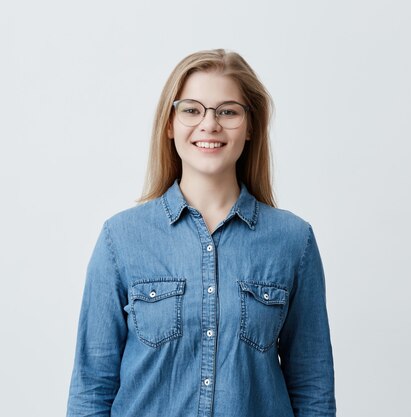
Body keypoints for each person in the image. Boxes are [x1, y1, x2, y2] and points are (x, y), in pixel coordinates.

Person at [66, 49, 336, 417]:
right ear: (169, 124)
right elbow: (91, 388)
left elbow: (312, 389)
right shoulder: (121, 239)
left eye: (228, 111)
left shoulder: (293, 240)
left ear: (251, 125)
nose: (209, 124)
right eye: (191, 109)